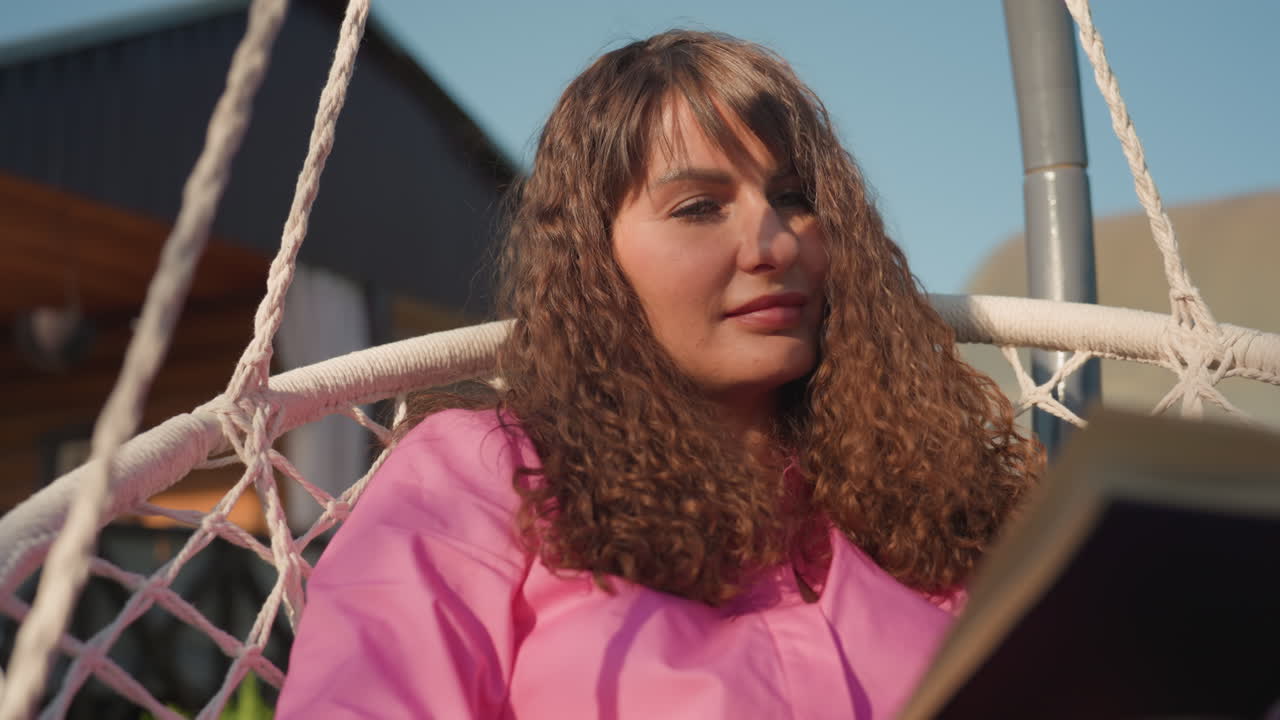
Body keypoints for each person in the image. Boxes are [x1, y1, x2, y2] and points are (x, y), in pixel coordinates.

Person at [276, 29, 1041, 719]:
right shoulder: (488, 477)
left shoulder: (923, 508)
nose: (771, 244)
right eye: (700, 206)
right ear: (596, 264)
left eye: (796, 199)